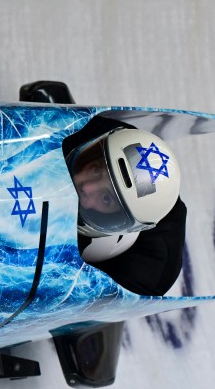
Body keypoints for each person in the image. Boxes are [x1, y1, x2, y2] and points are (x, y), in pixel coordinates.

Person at [65, 124, 187, 295]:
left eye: (106, 198)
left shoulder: (150, 273)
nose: (86, 187)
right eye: (95, 169)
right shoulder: (110, 137)